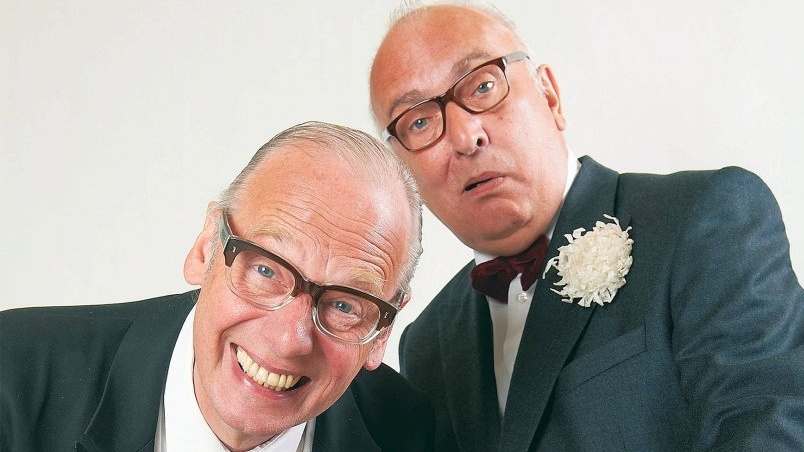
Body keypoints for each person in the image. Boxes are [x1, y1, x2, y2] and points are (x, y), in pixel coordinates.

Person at [369, 2, 804, 451]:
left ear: (550, 96)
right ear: (405, 174)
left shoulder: (704, 218)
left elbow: (770, 425)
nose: (465, 137)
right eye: (419, 121)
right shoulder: (427, 343)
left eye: (483, 86)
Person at [0, 121, 434, 451]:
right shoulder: (14, 370)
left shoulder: (414, 434)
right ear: (207, 246)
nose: (288, 341)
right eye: (266, 271)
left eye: (344, 305)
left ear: (383, 333)